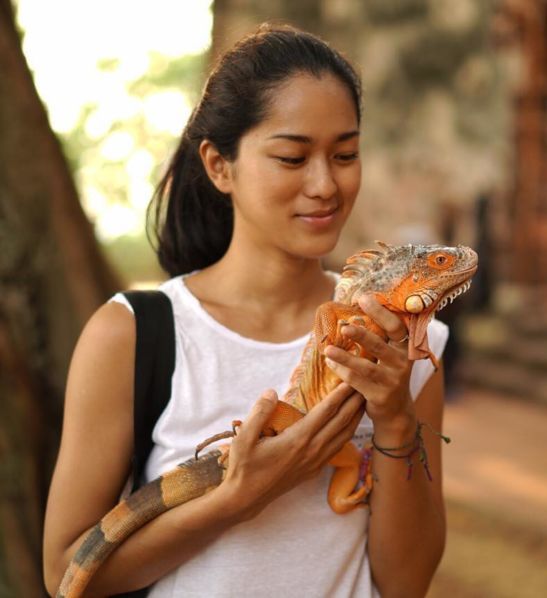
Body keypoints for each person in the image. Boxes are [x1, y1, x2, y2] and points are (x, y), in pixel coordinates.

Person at [43, 24, 449, 597]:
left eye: (346, 153)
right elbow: (68, 575)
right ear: (219, 166)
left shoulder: (403, 343)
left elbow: (405, 584)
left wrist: (395, 419)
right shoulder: (134, 334)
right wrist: (239, 499)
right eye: (291, 157)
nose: (325, 184)